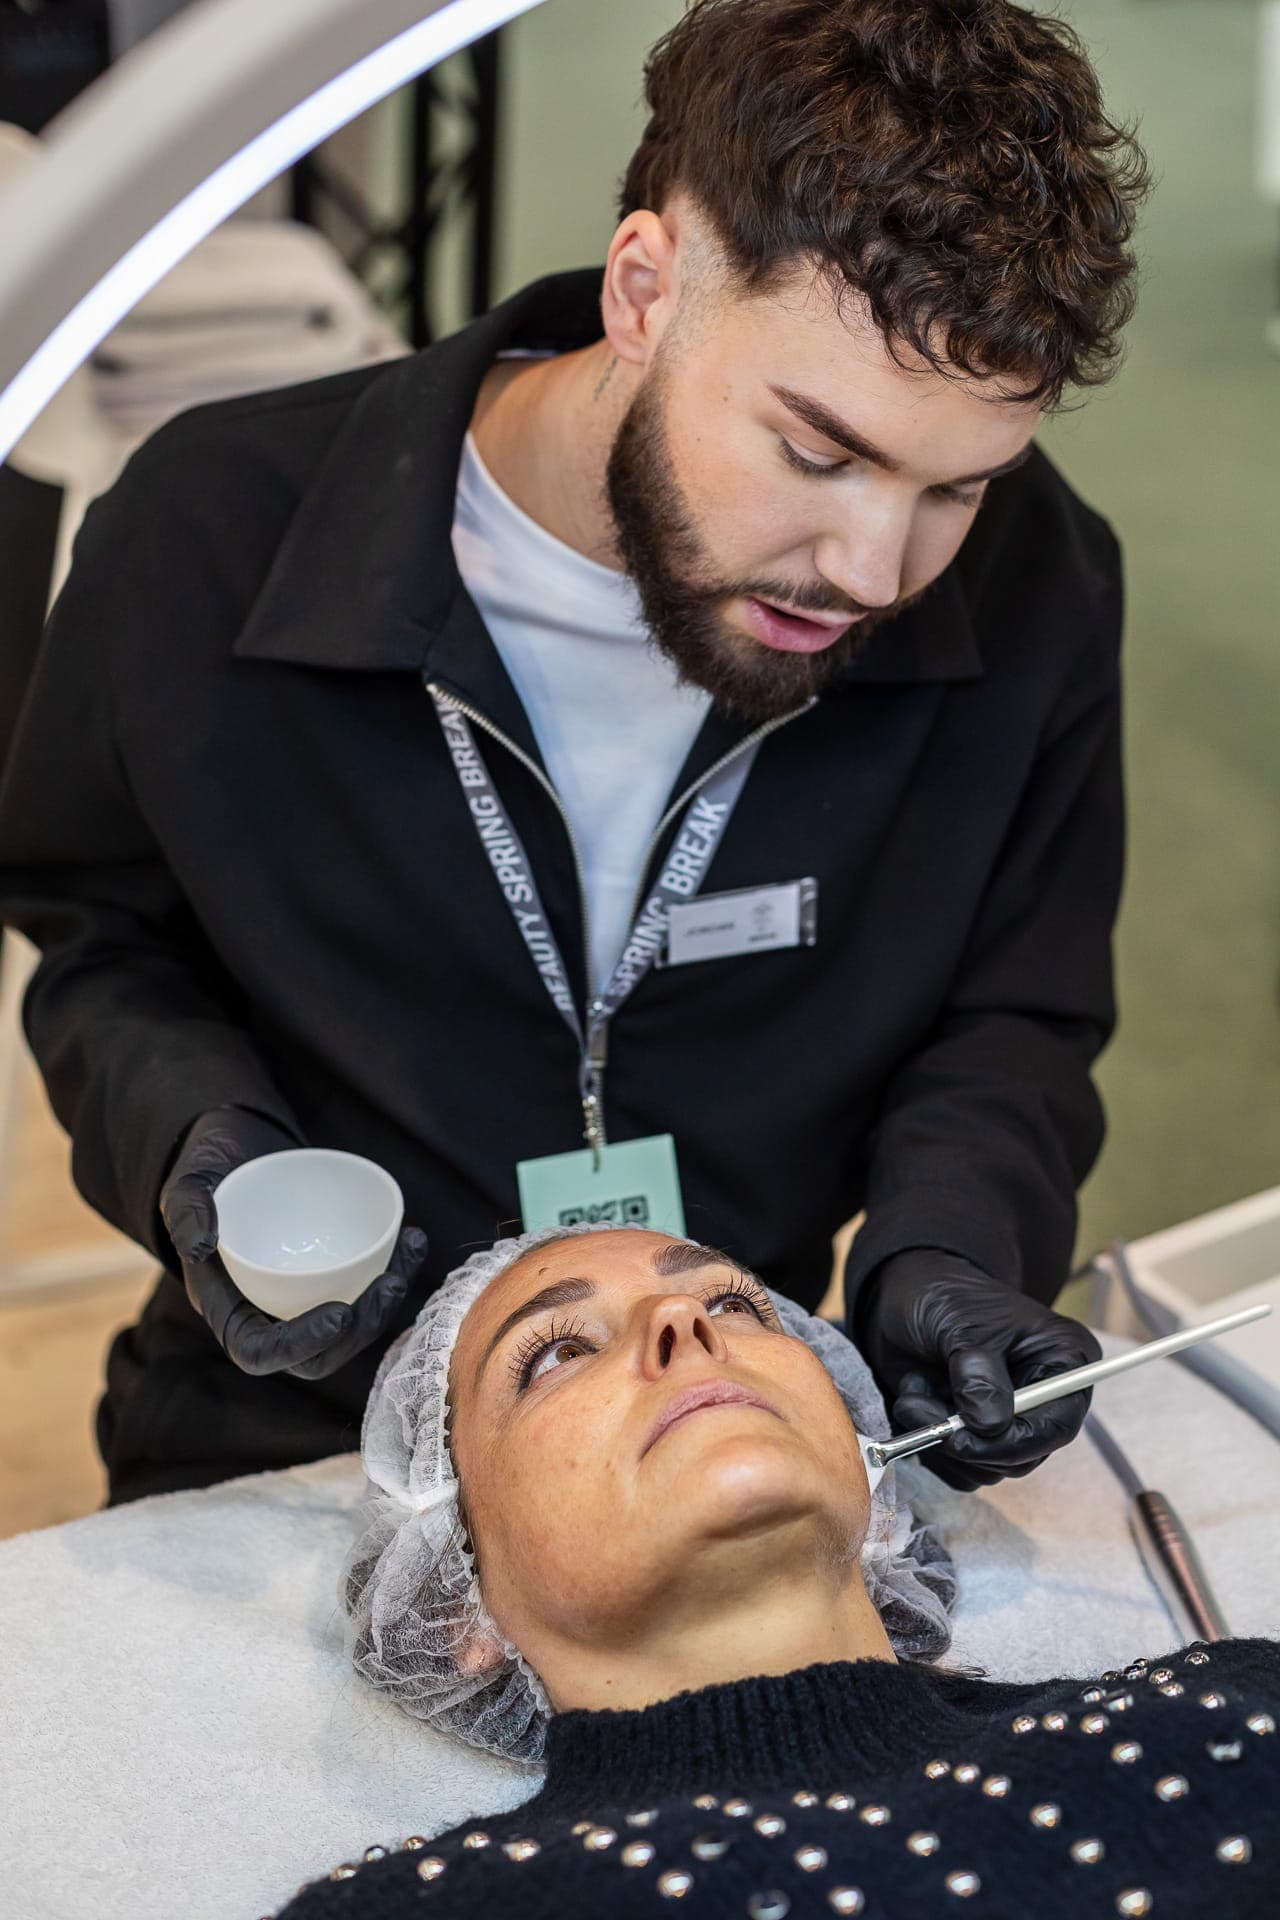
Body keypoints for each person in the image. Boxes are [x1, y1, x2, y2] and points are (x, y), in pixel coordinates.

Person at [0, 0, 1149, 1504]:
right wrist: (195, 1143)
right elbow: (103, 936)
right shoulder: (214, 536)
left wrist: (952, 1244)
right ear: (643, 288)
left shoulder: (1043, 584)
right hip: (291, 1432)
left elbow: (1015, 1014)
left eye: (962, 487)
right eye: (817, 451)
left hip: (723, 1429)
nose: (874, 569)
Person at [275, 1225, 1278, 1919]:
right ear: (459, 1594)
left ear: (870, 1473)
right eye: (552, 1355)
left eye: (733, 1304)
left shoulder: (1229, 1703)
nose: (685, 1326)